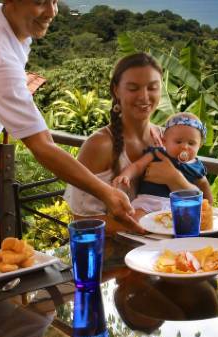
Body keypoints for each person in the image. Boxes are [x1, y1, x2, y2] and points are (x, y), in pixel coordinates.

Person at [0, 0, 138, 249]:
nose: (52, 12)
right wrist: (106, 193)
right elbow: (42, 146)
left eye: (53, 0)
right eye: (40, 2)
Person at [64, 53, 200, 234]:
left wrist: (175, 179)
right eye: (133, 88)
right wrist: (151, 227)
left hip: (163, 252)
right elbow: (83, 221)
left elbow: (202, 203)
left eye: (152, 88)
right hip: (114, 254)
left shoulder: (168, 139)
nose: (144, 97)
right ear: (116, 90)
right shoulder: (100, 145)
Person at [112, 112, 213, 212]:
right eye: (178, 142)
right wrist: (126, 175)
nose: (184, 147)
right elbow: (138, 166)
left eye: (191, 143)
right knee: (137, 221)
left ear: (199, 146)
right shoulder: (158, 153)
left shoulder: (197, 166)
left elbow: (204, 185)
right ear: (164, 141)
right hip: (149, 201)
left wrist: (209, 207)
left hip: (178, 207)